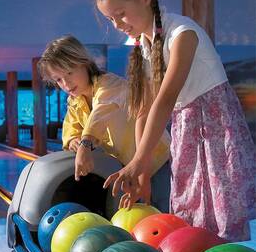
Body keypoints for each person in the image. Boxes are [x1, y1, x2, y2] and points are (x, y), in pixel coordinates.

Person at [96, 0, 256, 241]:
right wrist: (143, 173)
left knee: (219, 218)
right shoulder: (147, 46)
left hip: (214, 128)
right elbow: (144, 113)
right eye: (110, 19)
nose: (117, 25)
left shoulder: (183, 33)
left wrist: (138, 162)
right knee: (191, 216)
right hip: (187, 129)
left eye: (121, 14)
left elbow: (166, 99)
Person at [38, 35, 172, 213]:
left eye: (69, 73)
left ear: (84, 63)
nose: (66, 83)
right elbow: (71, 127)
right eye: (58, 79)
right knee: (144, 215)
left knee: (165, 210)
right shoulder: (75, 101)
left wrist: (85, 144)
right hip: (130, 167)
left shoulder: (110, 84)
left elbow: (100, 113)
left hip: (158, 159)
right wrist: (72, 141)